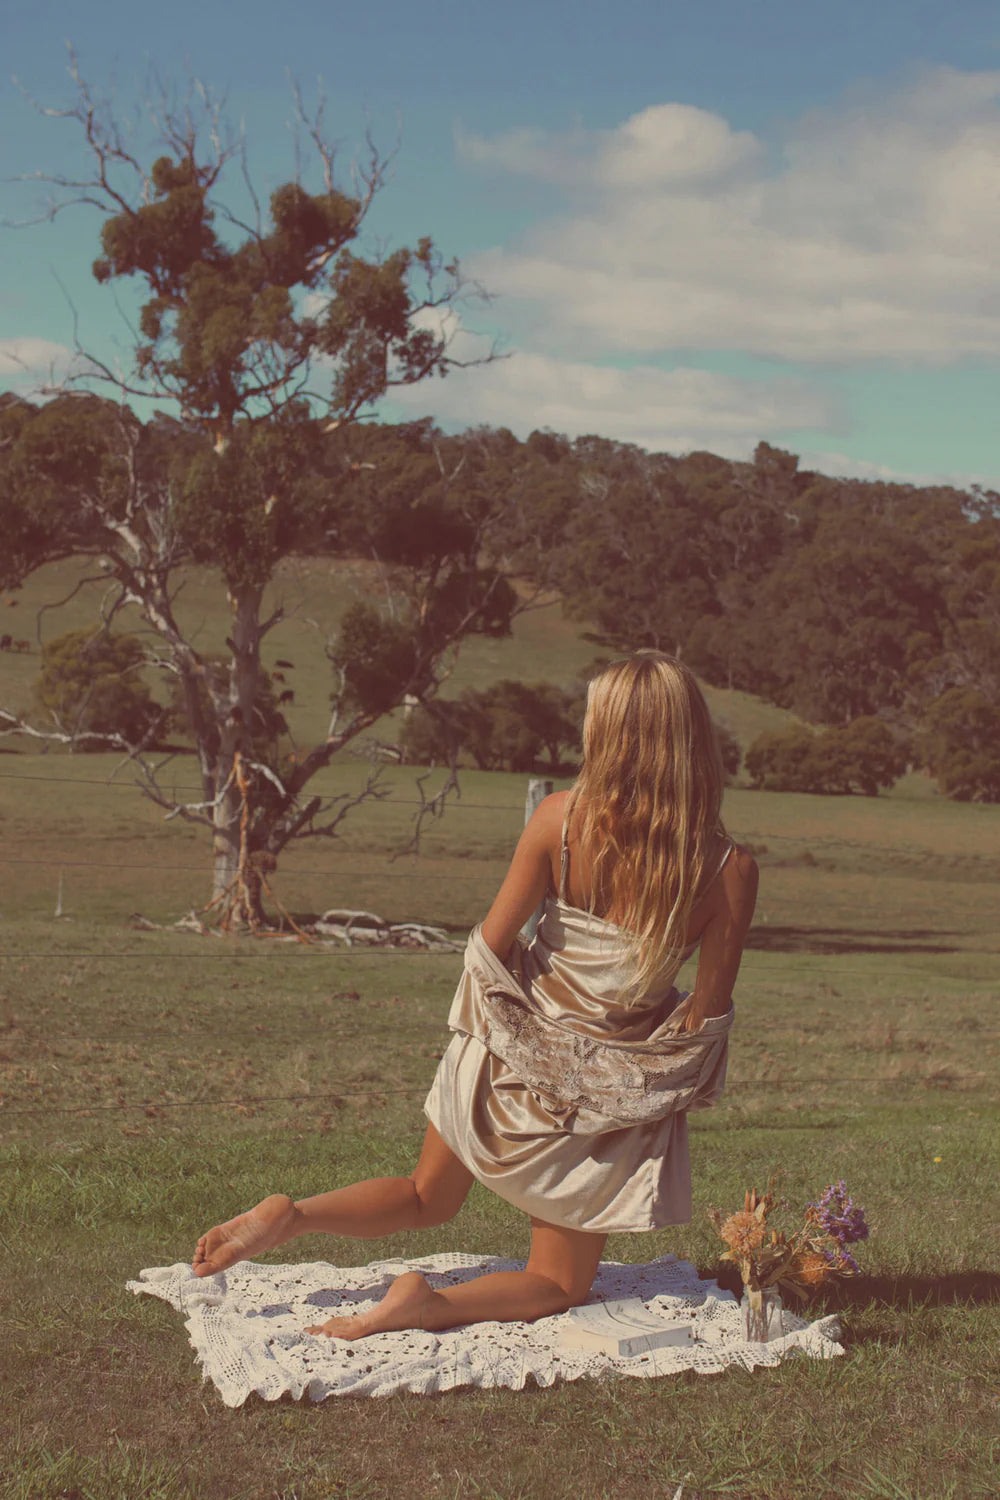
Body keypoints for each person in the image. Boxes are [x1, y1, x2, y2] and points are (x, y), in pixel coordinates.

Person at [193, 652, 758, 1341]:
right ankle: (429, 1306)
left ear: (605, 733)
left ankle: (295, 1216)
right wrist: (646, 1073)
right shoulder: (728, 870)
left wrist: (506, 1031)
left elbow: (490, 947)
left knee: (423, 1196)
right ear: (692, 739)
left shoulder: (559, 820)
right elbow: (706, 1016)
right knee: (558, 1282)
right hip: (602, 1101)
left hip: (504, 1057)